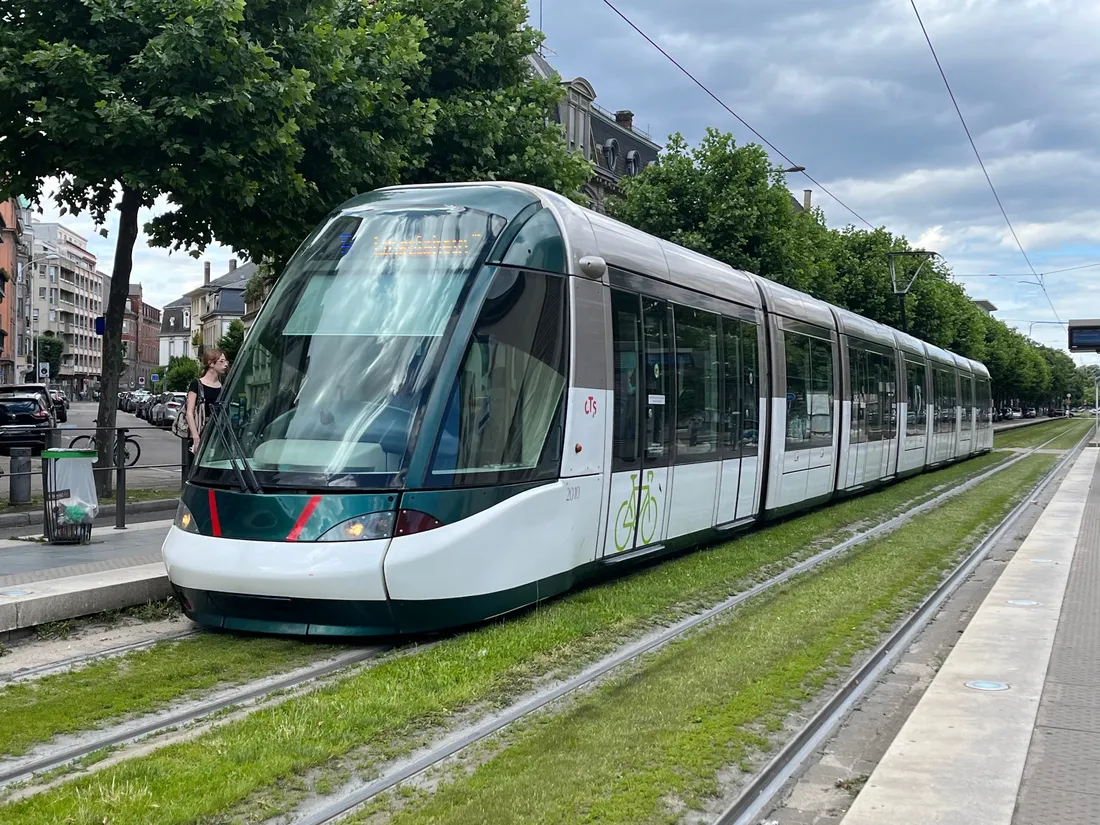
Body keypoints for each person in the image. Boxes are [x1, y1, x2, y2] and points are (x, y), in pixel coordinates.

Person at [186, 348, 229, 454]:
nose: (226, 364)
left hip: (219, 434)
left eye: (226, 361)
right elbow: (189, 412)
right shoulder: (197, 384)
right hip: (201, 433)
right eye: (221, 361)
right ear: (211, 364)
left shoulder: (223, 385)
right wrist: (195, 437)